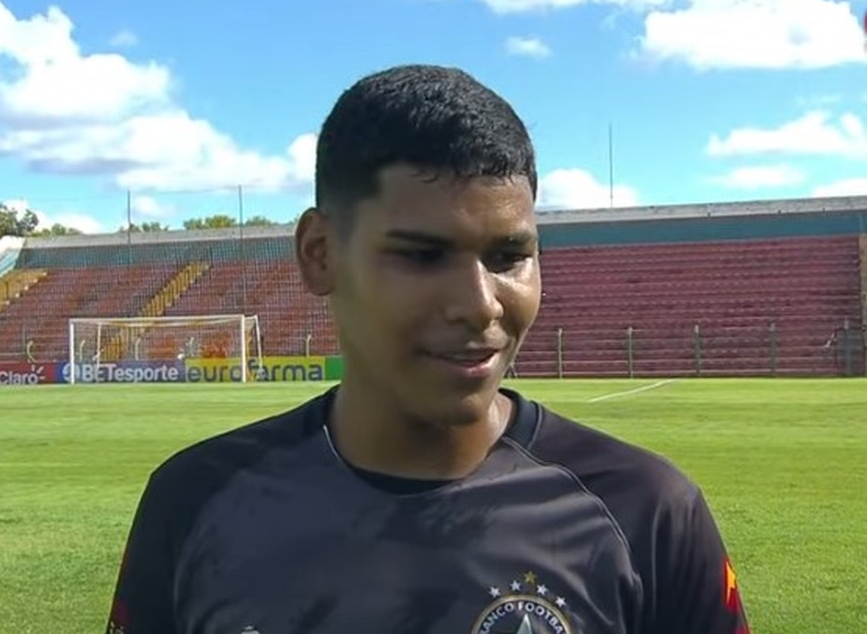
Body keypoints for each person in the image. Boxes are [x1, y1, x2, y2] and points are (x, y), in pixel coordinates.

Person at [105, 64, 751, 634]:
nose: (480, 302)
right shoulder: (195, 500)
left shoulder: (646, 511)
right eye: (421, 255)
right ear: (320, 254)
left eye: (509, 256)